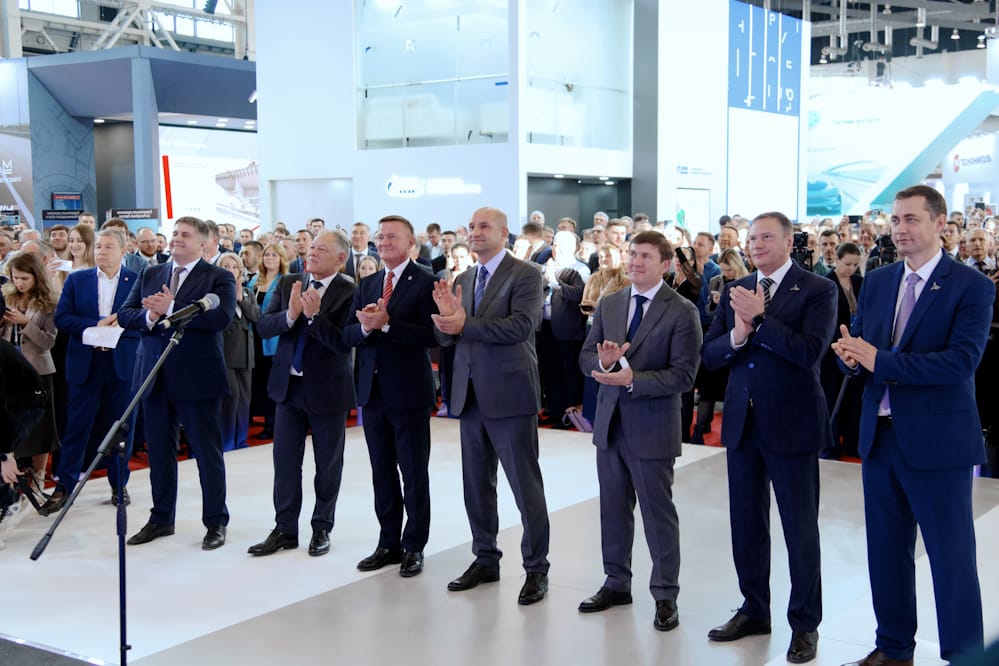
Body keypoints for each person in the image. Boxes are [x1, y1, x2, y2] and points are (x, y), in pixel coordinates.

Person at [833, 185, 994, 666]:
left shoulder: (971, 285)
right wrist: (850, 358)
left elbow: (960, 363)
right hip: (880, 438)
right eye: (896, 219)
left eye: (911, 219)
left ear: (939, 223)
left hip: (939, 444)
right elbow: (863, 347)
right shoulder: (880, 281)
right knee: (885, 552)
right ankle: (893, 648)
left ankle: (964, 656)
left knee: (951, 558)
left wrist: (878, 361)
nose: (900, 229)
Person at [701, 211, 837, 665]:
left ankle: (805, 623)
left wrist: (760, 320)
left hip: (793, 424)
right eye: (751, 238)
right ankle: (754, 609)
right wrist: (738, 335)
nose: (756, 245)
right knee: (746, 524)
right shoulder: (737, 289)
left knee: (799, 528)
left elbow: (809, 352)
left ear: (788, 241)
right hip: (743, 423)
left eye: (765, 237)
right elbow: (710, 354)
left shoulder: (817, 289)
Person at [577, 230, 701, 632]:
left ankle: (665, 595)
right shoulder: (610, 302)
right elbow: (585, 355)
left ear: (666, 264)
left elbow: (684, 376)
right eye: (632, 254)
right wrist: (605, 365)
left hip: (652, 426)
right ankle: (616, 583)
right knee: (612, 510)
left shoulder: (681, 311)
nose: (635, 261)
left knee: (656, 514)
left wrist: (633, 379)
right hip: (610, 424)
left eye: (646, 256)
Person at [431, 206, 551, 606]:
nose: (475, 231)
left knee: (524, 486)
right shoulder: (464, 277)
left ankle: (536, 568)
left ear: (504, 233)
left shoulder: (526, 274)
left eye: (484, 226)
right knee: (476, 486)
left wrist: (463, 323)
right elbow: (450, 338)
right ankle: (485, 558)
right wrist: (446, 321)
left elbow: (522, 326)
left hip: (510, 394)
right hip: (469, 395)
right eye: (472, 226)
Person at [118, 216, 236, 550]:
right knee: (159, 453)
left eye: (185, 234)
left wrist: (171, 307)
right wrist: (150, 316)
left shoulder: (219, 277)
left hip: (197, 378)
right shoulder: (151, 273)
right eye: (174, 233)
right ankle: (161, 518)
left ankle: (215, 521)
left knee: (206, 453)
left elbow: (220, 318)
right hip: (154, 376)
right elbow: (126, 313)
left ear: (203, 243)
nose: (176, 238)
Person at [248, 230, 356, 558]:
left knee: (328, 464)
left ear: (340, 258)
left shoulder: (349, 290)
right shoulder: (289, 282)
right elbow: (264, 326)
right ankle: (284, 528)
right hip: (288, 387)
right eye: (311, 248)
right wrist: (291, 315)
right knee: (285, 463)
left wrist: (314, 318)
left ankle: (322, 527)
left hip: (328, 389)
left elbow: (344, 342)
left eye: (321, 249)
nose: (312, 253)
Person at [344, 215, 438, 577]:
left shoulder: (426, 281)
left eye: (392, 237)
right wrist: (366, 327)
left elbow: (432, 336)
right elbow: (350, 332)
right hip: (372, 391)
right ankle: (388, 543)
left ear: (411, 242)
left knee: (413, 473)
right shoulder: (368, 282)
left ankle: (414, 545)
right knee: (381, 472)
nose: (383, 242)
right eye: (380, 236)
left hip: (409, 391)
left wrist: (387, 324)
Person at [42, 229, 140, 513]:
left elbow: (144, 320)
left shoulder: (136, 281)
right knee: (77, 427)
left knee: (121, 428)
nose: (101, 252)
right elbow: (63, 318)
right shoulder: (78, 279)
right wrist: (95, 324)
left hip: (121, 364)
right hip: (86, 363)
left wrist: (123, 323)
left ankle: (118, 484)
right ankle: (65, 486)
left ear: (123, 251)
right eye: (98, 247)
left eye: (108, 247)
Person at [1, 253, 60, 503]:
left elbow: (48, 342)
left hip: (38, 371)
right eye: (15, 277)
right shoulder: (7, 296)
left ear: (37, 276)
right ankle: (10, 481)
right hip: (8, 370)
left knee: (41, 431)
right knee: (9, 426)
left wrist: (26, 322)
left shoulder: (49, 303)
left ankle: (38, 478)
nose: (19, 282)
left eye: (25, 278)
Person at [694, 248, 749, 443]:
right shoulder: (715, 281)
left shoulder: (747, 283)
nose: (726, 274)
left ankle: (734, 431)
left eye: (729, 270)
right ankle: (700, 427)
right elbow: (707, 312)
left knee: (733, 391)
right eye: (724, 270)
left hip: (739, 342)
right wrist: (716, 304)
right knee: (708, 389)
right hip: (719, 339)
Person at [820, 242, 864, 460]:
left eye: (855, 265)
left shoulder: (860, 282)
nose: (851, 269)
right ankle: (831, 444)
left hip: (856, 349)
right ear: (837, 260)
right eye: (847, 264)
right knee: (831, 396)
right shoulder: (826, 283)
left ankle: (852, 441)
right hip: (832, 350)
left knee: (854, 398)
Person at [218, 252, 260, 452]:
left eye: (234, 267)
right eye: (226, 266)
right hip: (226, 351)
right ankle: (227, 442)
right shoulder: (216, 292)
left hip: (246, 352)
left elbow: (256, 317)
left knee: (244, 398)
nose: (231, 270)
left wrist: (240, 299)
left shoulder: (248, 292)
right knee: (231, 398)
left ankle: (241, 440)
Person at [248, 243, 289, 439]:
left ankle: (274, 423)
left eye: (274, 255)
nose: (270, 258)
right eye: (267, 255)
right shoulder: (255, 281)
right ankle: (265, 421)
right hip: (255, 337)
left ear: (281, 259)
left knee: (272, 381)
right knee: (260, 381)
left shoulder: (285, 281)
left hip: (274, 338)